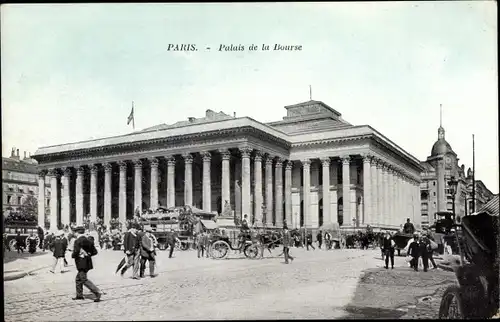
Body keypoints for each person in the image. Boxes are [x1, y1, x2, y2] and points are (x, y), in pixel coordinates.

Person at [71, 226, 102, 302]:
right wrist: (88, 254)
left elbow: (75, 252)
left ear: (77, 232)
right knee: (78, 279)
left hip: (81, 263)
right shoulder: (88, 240)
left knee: (83, 279)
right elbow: (94, 252)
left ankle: (97, 292)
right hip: (87, 262)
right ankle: (79, 295)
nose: (74, 233)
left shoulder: (77, 241)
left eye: (74, 232)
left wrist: (73, 255)